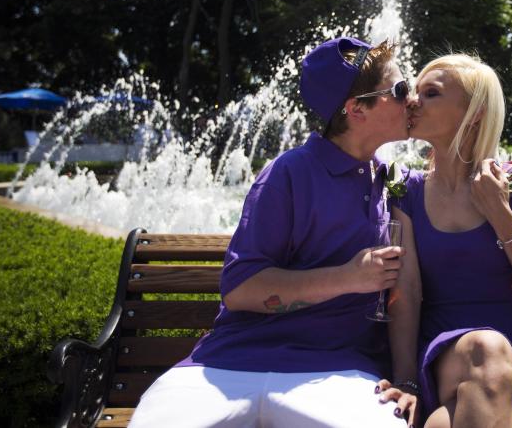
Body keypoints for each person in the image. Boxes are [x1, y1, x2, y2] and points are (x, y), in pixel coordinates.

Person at [129, 37, 412, 427]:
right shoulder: (289, 172)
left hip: (339, 373)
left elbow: (456, 196)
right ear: (355, 109)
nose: (411, 97)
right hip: (231, 364)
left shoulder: (391, 179)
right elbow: (241, 288)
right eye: (399, 90)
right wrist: (348, 277)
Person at [378, 54, 512, 428]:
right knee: (484, 347)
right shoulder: (407, 192)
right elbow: (407, 293)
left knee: (442, 424)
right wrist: (406, 379)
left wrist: (500, 213)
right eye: (415, 91)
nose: (411, 101)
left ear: (474, 111)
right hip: (442, 349)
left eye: (430, 93)